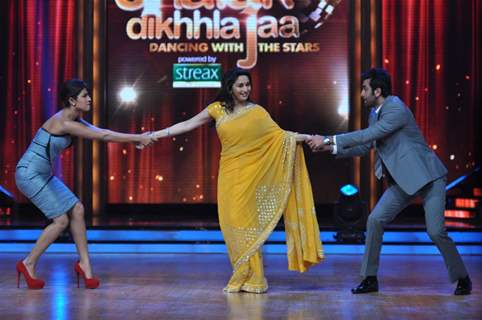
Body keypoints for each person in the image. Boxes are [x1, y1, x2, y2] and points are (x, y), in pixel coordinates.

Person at [152, 68, 324, 293]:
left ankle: (254, 279)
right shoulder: (217, 109)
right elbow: (187, 124)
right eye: (240, 85)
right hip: (229, 176)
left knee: (247, 225)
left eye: (247, 85)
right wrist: (155, 135)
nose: (245, 89)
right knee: (230, 225)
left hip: (252, 177)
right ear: (230, 87)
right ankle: (243, 272)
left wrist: (306, 137)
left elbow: (281, 137)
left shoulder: (258, 112)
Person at [307, 68, 471, 295]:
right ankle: (370, 278)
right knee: (375, 220)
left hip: (428, 177)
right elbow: (366, 146)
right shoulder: (374, 114)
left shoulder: (395, 107)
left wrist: (327, 137)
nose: (362, 94)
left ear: (377, 90)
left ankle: (462, 277)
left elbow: (366, 136)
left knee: (435, 231)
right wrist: (328, 148)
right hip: (402, 182)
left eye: (364, 89)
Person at [15, 79, 154, 289]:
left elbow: (101, 132)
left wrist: (134, 139)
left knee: (77, 209)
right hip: (28, 174)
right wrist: (137, 137)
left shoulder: (75, 119)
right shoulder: (63, 122)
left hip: (43, 174)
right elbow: (102, 135)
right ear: (72, 100)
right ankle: (28, 263)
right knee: (61, 221)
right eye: (84, 96)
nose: (90, 99)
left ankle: (85, 265)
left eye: (88, 95)